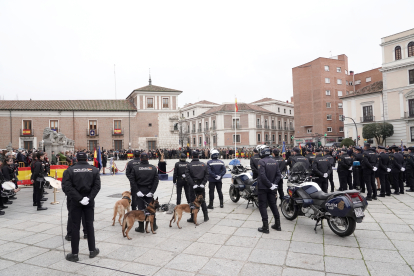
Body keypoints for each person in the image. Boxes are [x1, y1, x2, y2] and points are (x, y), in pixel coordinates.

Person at [62, 152, 100, 262]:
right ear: (87, 159)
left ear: (76, 159)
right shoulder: (94, 170)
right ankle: (92, 250)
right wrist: (88, 198)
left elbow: (66, 187)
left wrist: (79, 198)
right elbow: (97, 186)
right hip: (89, 202)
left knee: (75, 226)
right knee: (89, 225)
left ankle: (74, 254)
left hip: (75, 202)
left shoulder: (69, 170)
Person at [256, 145, 281, 233]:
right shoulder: (274, 162)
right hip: (272, 187)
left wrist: (270, 185)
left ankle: (265, 227)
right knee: (273, 204)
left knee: (262, 206)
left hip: (263, 187)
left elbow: (262, 175)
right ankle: (278, 225)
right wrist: (274, 184)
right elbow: (279, 175)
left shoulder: (261, 161)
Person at [132, 152, 159, 233]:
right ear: (148, 159)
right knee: (152, 209)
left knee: (140, 209)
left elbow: (132, 181)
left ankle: (141, 227)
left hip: (140, 190)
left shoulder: (135, 168)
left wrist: (137, 191)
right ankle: (153, 225)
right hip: (149, 190)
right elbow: (156, 181)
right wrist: (152, 192)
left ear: (140, 159)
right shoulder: (153, 168)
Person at [185, 150, 209, 223]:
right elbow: (207, 175)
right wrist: (203, 183)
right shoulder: (203, 164)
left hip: (193, 185)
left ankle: (193, 217)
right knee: (202, 200)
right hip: (201, 184)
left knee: (192, 201)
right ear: (198, 156)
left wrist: (193, 184)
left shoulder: (189, 165)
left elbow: (187, 176)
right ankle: (206, 216)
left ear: (192, 156)